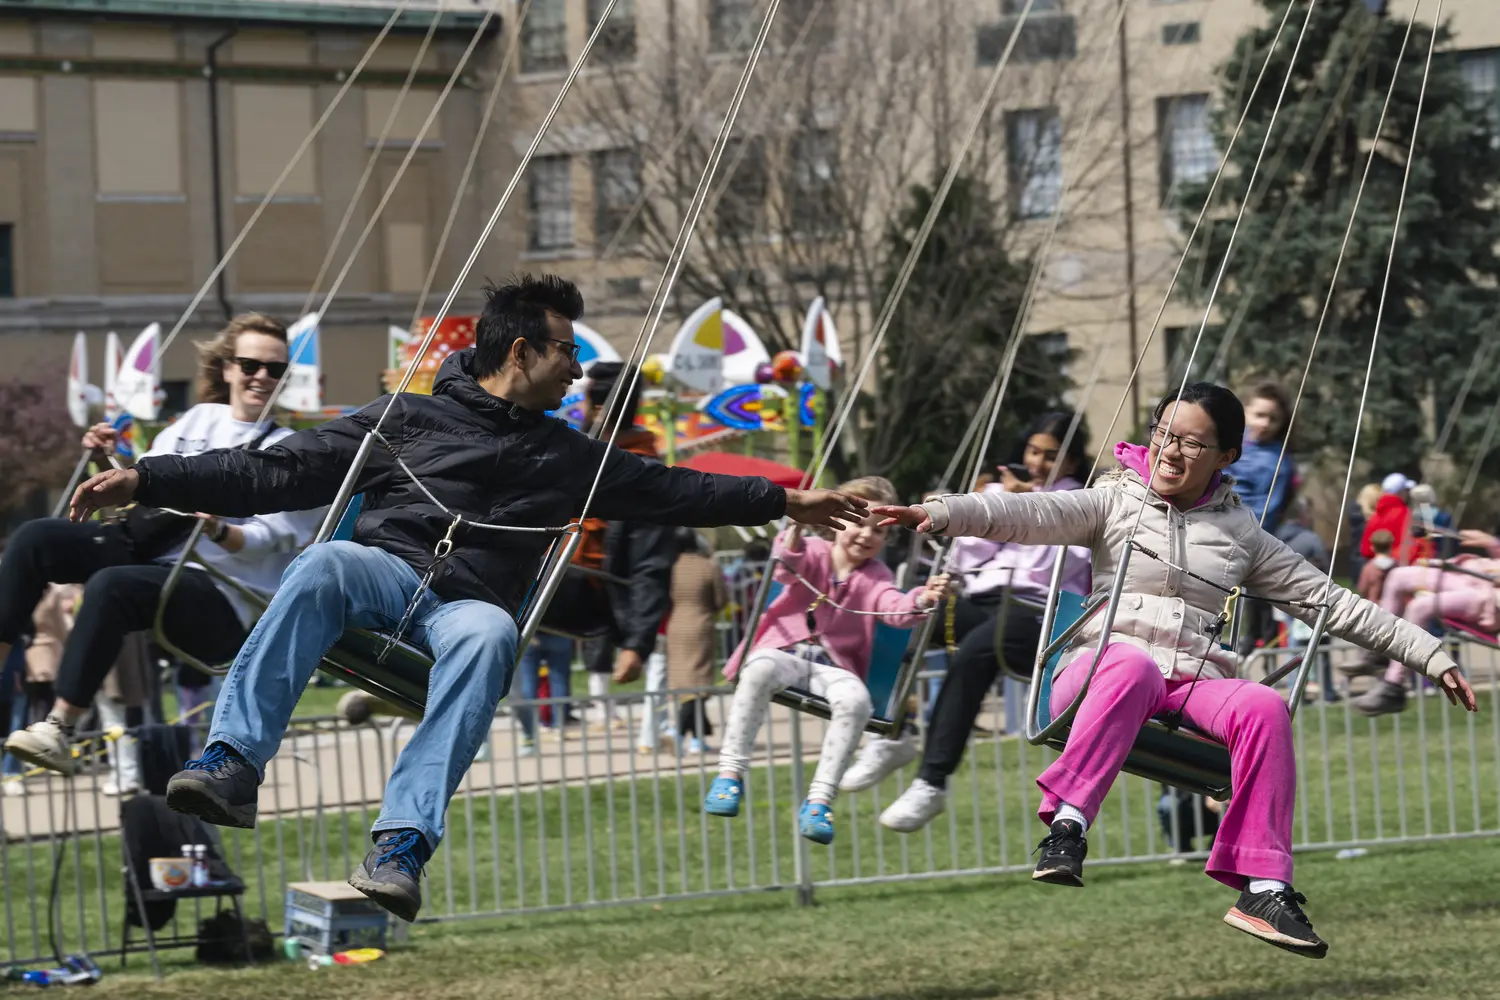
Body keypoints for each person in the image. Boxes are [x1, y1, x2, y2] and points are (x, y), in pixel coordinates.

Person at [65, 275, 867, 923]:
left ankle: (400, 846)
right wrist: (147, 480)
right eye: (566, 351)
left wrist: (790, 503)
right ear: (519, 351)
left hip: (464, 609)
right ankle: (233, 762)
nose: (578, 369)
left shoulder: (569, 456)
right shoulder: (405, 420)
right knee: (322, 563)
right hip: (381, 576)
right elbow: (271, 472)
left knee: (491, 637)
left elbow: (677, 490)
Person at [873, 382, 1476, 958]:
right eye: (1164, 433)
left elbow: (1334, 602)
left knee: (1265, 705)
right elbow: (1025, 513)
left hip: (1189, 684)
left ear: (1226, 456)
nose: (1170, 450)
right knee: (1132, 666)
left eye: (1191, 442)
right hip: (1098, 676)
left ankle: (1264, 890)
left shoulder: (1241, 535)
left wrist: (1428, 653)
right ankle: (1067, 827)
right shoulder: (1113, 499)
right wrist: (940, 512)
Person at [2, 314, 322, 775]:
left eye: (275, 370)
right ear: (228, 368)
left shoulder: (293, 451)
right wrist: (110, 460)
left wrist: (220, 531)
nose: (262, 377)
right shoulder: (197, 419)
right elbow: (147, 483)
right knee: (35, 538)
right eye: (251, 365)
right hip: (154, 550)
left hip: (222, 596)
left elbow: (277, 539)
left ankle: (60, 728)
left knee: (114, 586)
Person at [840, 412, 1093, 833]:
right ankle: (890, 733)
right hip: (982, 597)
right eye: (1034, 451)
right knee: (905, 619)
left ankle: (931, 781)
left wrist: (1021, 504)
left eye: (1052, 457)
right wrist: (996, 506)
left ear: (1070, 464)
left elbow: (1053, 559)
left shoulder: (1081, 502)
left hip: (1038, 612)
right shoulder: (999, 490)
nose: (1038, 463)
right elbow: (967, 556)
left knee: (976, 650)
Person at [706, 477, 951, 845]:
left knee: (857, 701)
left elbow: (893, 608)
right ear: (837, 521)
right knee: (757, 670)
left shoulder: (876, 577)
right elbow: (786, 566)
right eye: (858, 523)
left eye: (877, 532)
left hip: (832, 666)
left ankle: (820, 800)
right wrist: (795, 529)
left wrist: (920, 599)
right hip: (785, 651)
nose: (866, 536)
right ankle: (730, 773)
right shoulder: (813, 552)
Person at [1351, 529, 1500, 717]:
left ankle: (1393, 687)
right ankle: (1378, 650)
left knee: (1419, 607)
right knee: (1397, 576)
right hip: (1472, 574)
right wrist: (1491, 543)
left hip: (1487, 600)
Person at [666, 527, 726, 754]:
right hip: (700, 624)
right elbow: (720, 599)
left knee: (684, 684)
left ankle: (698, 738)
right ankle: (679, 733)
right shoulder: (708, 566)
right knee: (698, 684)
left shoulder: (671, 567)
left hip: (676, 625)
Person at [1360, 473, 1416, 565]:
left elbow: (1366, 550)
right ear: (1400, 492)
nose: (1407, 493)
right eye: (1406, 490)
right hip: (1397, 568)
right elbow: (1410, 546)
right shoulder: (1405, 513)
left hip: (1375, 567)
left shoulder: (1374, 516)